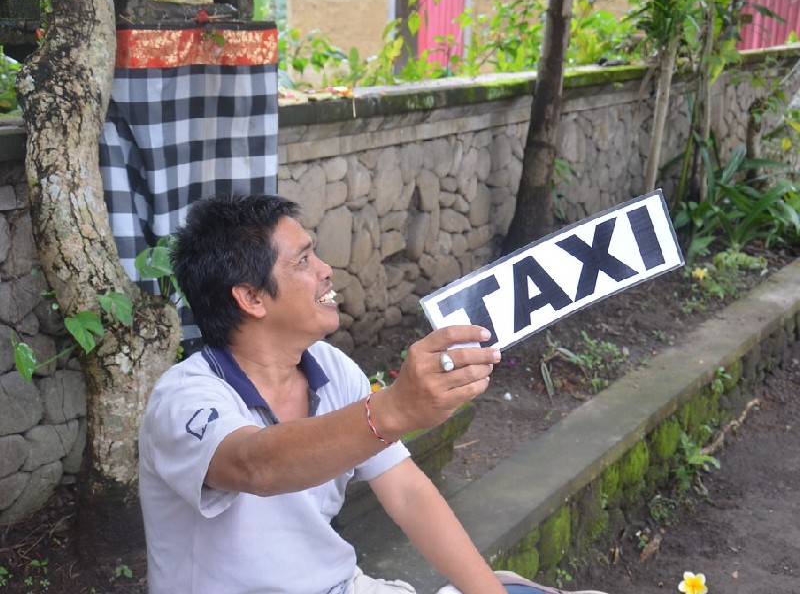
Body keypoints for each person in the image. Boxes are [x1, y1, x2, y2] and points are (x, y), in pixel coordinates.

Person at [138, 192, 608, 594]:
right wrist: (394, 408)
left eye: (315, 254)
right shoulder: (182, 399)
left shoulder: (332, 368)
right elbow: (256, 465)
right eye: (303, 260)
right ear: (252, 298)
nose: (326, 270)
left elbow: (407, 493)